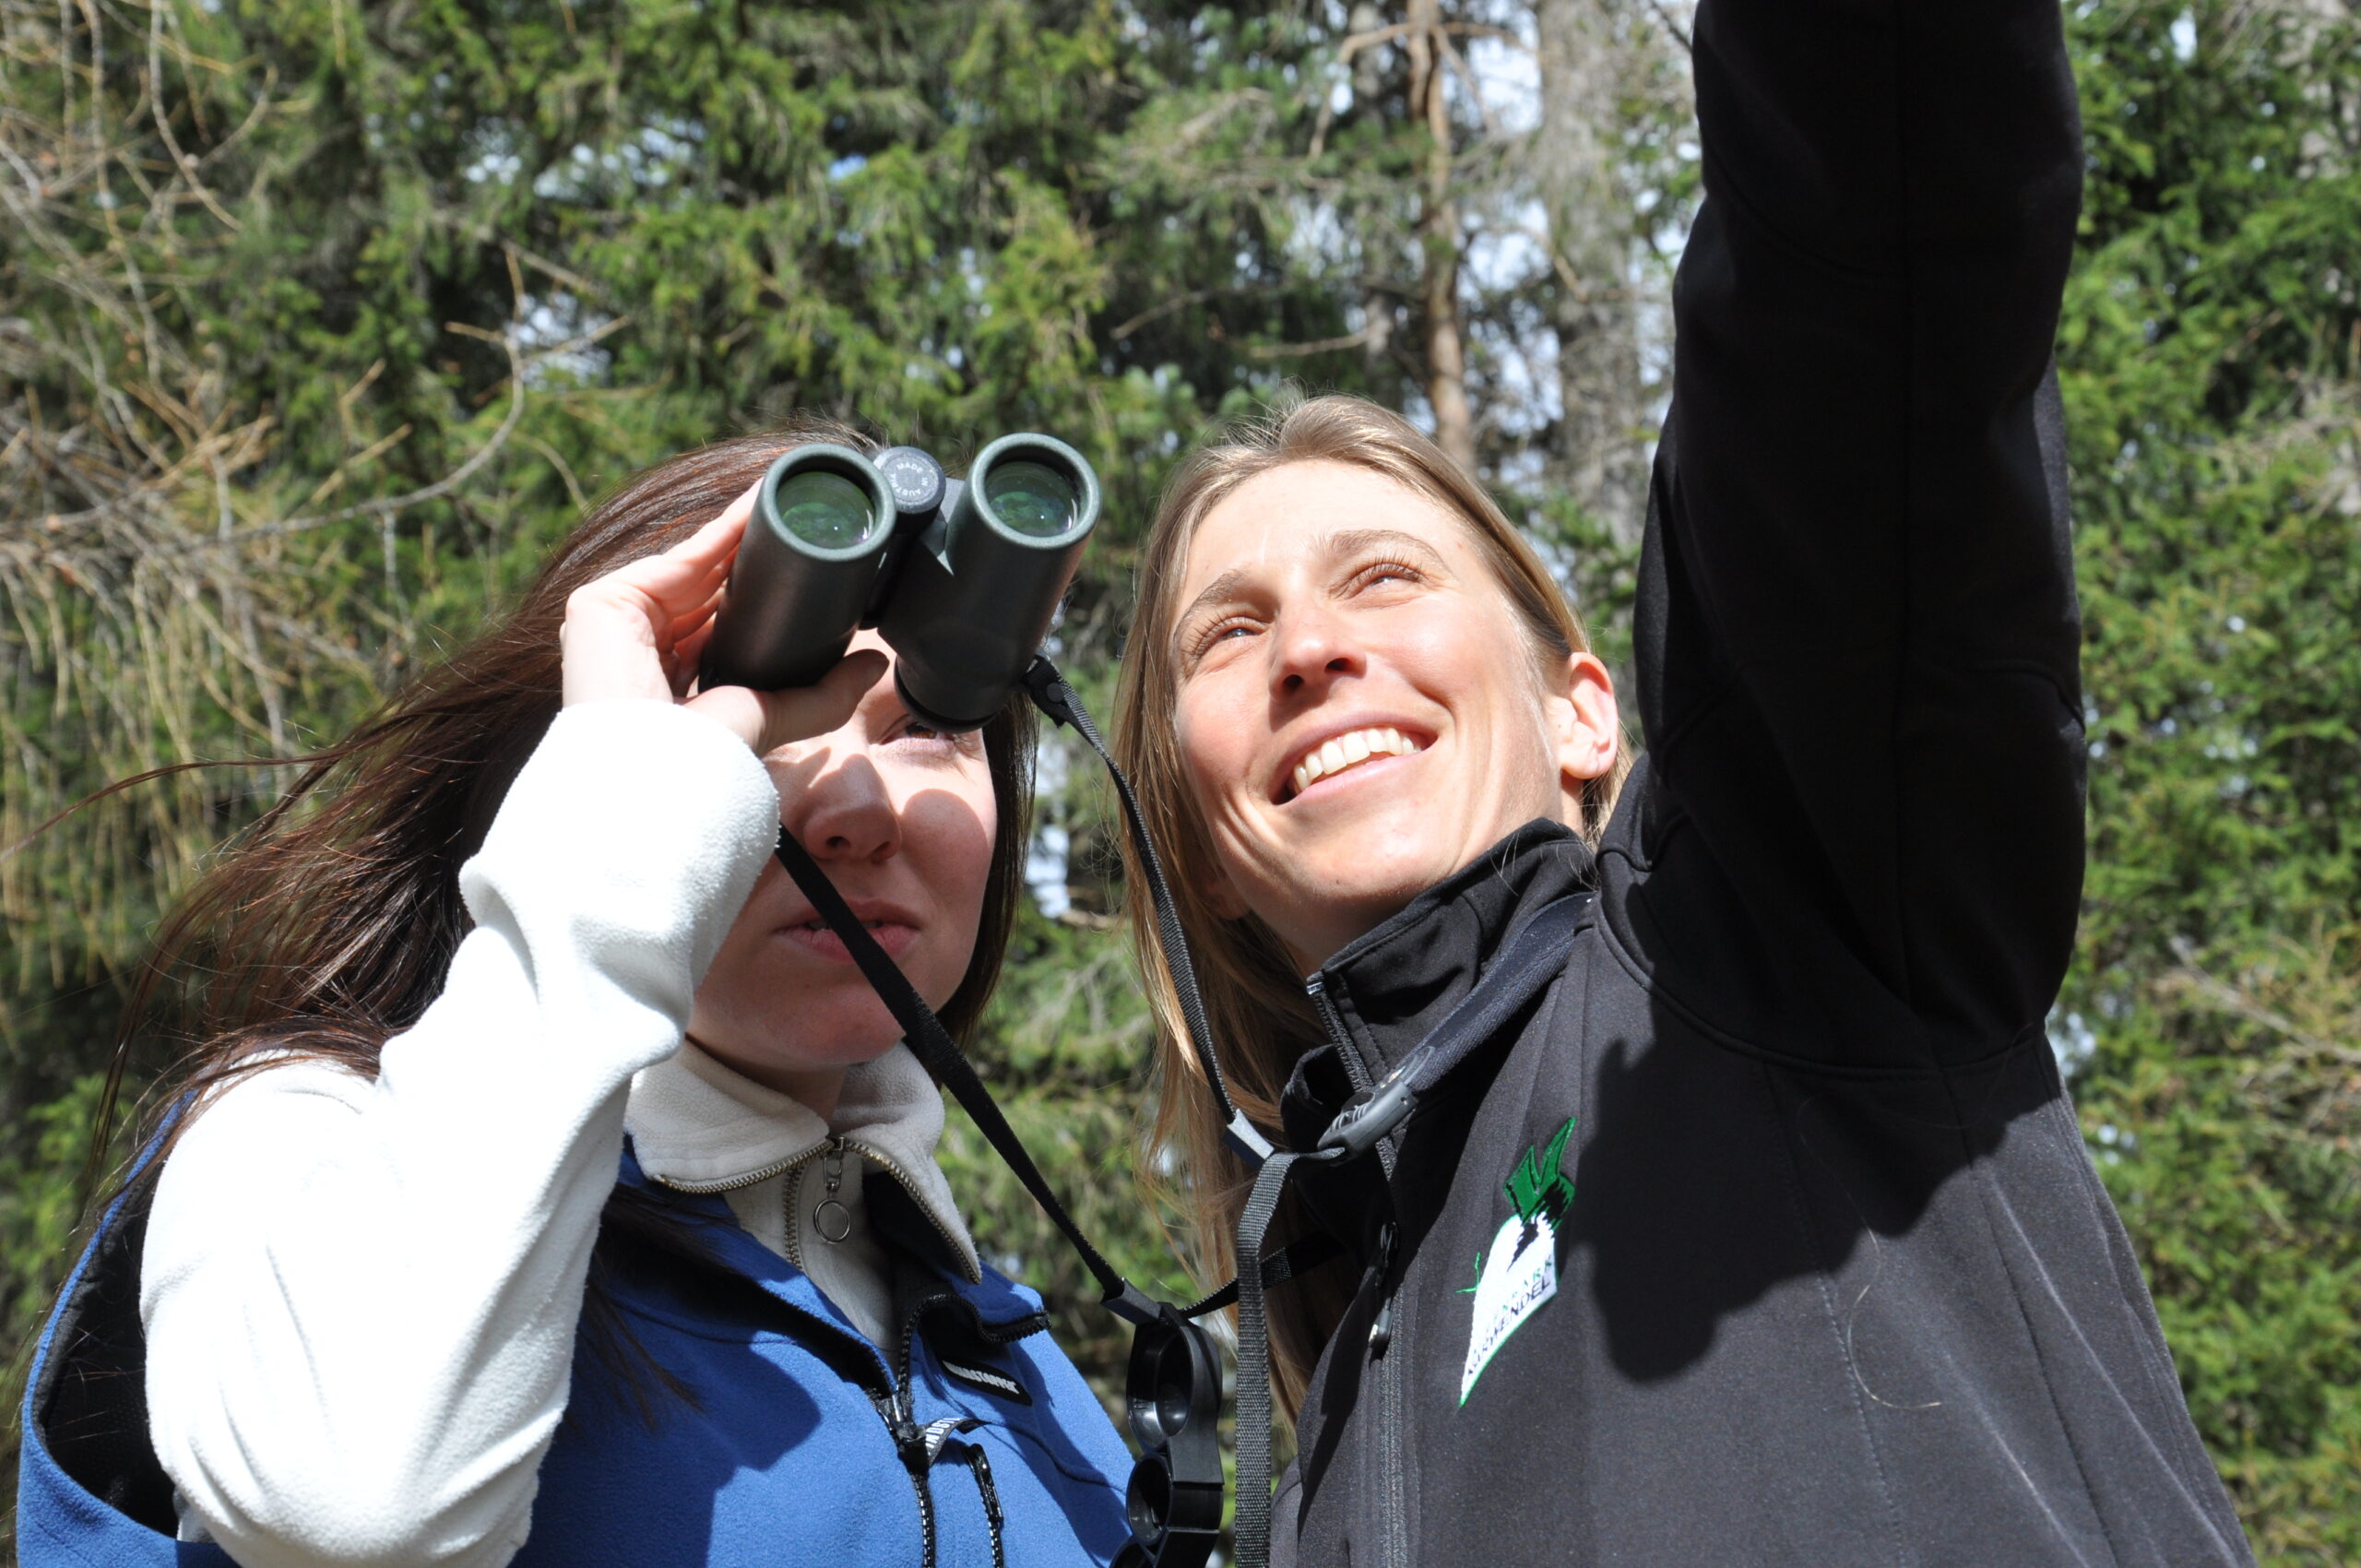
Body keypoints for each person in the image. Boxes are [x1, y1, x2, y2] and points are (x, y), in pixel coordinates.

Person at [1111, 0, 2258, 1563]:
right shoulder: (1323, 1432)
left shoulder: (1769, 909)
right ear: (1198, 844)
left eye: (1382, 578)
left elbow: (1860, 281)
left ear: (1584, 712)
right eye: (1230, 635)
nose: (1309, 648)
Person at [18, 430, 1134, 1568]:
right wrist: (630, 819)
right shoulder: (309, 1153)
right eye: (762, 726)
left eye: (927, 731)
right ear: (587, 770)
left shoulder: (1021, 1370)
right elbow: (358, 1508)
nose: (857, 808)